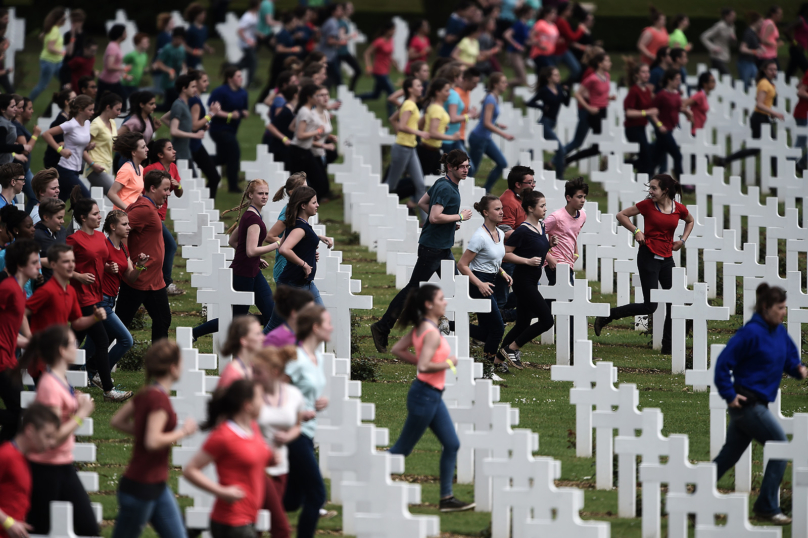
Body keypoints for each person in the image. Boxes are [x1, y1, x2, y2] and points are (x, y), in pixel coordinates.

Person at [712, 283, 808, 525]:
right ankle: (766, 506)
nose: (784, 312)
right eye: (780, 308)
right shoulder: (750, 333)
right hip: (747, 405)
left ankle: (694, 499)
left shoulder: (779, 332)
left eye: (785, 308)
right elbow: (723, 365)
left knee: (727, 457)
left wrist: (798, 369)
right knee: (780, 446)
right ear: (766, 308)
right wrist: (729, 395)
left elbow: (789, 360)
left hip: (758, 406)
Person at [370, 150, 473, 353]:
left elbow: (422, 203)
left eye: (467, 166)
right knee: (413, 290)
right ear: (450, 167)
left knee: (458, 288)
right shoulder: (446, 188)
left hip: (441, 247)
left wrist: (450, 222)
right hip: (432, 249)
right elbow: (434, 217)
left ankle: (459, 333)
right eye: (461, 166)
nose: (465, 170)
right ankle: (382, 327)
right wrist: (458, 217)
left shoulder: (443, 183)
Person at [388, 284, 475, 512]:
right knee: (402, 449)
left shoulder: (423, 327)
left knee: (452, 443)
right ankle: (365, 476)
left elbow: (397, 349)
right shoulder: (431, 333)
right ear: (429, 304)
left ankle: (446, 499)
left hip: (432, 396)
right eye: (440, 299)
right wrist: (449, 363)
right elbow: (425, 366)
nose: (444, 302)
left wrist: (422, 362)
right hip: (424, 396)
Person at [594, 174, 695, 355]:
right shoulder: (647, 205)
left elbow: (690, 221)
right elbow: (621, 215)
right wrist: (636, 231)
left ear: (665, 190)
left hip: (667, 258)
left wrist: (682, 240)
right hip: (648, 256)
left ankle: (668, 347)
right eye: (650, 187)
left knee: (676, 300)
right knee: (651, 306)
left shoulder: (678, 209)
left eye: (654, 188)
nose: (650, 191)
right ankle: (607, 316)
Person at [110, 339, 197, 538]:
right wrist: (184, 432)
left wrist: (143, 431)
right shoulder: (159, 399)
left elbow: (117, 421)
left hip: (157, 484)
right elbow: (152, 441)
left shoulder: (147, 393)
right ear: (173, 368)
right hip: (141, 487)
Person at [22, 325, 98, 536]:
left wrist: (75, 401)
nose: (77, 346)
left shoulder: (61, 381)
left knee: (88, 529)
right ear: (62, 351)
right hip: (46, 470)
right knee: (37, 530)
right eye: (73, 343)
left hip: (62, 466)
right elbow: (52, 436)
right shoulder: (50, 386)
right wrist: (80, 414)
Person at [66, 187, 133, 401]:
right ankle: (108, 390)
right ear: (84, 217)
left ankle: (55, 375)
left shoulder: (98, 237)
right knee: (103, 342)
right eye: (95, 214)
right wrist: (78, 276)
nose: (99, 217)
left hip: (98, 296)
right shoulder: (74, 240)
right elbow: (62, 266)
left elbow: (99, 260)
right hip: (83, 297)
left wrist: (108, 268)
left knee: (75, 340)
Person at [183, 379, 272, 538]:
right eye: (259, 397)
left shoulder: (254, 428)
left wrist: (272, 459)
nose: (264, 401)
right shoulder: (224, 436)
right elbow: (190, 470)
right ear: (247, 405)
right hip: (231, 522)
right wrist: (222, 492)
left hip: (250, 518)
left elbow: (252, 459)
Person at [193, 180, 279, 338]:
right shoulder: (253, 219)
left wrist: (256, 260)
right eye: (260, 193)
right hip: (243, 274)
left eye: (266, 193)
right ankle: (194, 333)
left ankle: (264, 346)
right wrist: (277, 245)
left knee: (271, 313)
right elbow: (251, 250)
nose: (264, 196)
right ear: (250, 195)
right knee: (235, 319)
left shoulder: (250, 215)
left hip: (252, 271)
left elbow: (233, 241)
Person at [283, 304, 331, 537]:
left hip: (308, 434)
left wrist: (317, 402)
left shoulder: (317, 357)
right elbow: (273, 394)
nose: (332, 328)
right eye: (327, 324)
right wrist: (297, 412)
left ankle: (237, 506)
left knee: (292, 500)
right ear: (315, 327)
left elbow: (305, 391)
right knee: (317, 495)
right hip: (293, 434)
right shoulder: (297, 359)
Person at [497, 189, 554, 372]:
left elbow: (535, 249)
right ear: (530, 208)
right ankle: (512, 349)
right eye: (542, 206)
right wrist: (526, 261)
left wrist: (549, 245)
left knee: (522, 323)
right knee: (546, 320)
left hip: (532, 279)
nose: (545, 209)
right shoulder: (522, 230)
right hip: (523, 281)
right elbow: (504, 253)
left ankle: (496, 362)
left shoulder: (542, 226)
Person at [115, 170, 173, 344]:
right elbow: (118, 229)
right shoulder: (144, 209)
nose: (168, 193)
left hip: (155, 281)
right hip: (139, 280)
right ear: (153, 188)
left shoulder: (149, 207)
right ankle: (90, 363)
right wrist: (127, 260)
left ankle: (159, 365)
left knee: (163, 319)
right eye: (166, 189)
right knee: (118, 325)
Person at [91, 210, 146, 374]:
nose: (129, 227)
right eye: (125, 224)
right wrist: (106, 267)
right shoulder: (104, 246)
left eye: (128, 223)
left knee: (92, 345)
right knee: (126, 340)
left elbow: (130, 276)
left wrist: (140, 265)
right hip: (101, 301)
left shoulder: (123, 248)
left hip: (110, 300)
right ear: (113, 226)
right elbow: (91, 270)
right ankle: (97, 371)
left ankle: (83, 372)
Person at [457, 195, 511, 364]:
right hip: (479, 283)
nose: (501, 212)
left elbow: (492, 258)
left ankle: (448, 325)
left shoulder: (500, 233)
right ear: (486, 212)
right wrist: (479, 284)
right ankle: (489, 368)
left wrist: (502, 272)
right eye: (497, 209)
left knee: (487, 331)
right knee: (498, 328)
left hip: (492, 281)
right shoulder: (479, 237)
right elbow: (462, 264)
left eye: (501, 208)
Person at [267, 187, 330, 330]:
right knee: (276, 327)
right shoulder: (300, 228)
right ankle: (253, 351)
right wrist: (304, 264)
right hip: (293, 285)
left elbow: (284, 243)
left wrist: (308, 252)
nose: (317, 205)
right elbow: (284, 249)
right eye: (314, 202)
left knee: (321, 319)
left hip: (305, 283)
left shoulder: (297, 224)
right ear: (303, 205)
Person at [254, 345, 300, 538]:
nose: (254, 375)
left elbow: (297, 425)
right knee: (281, 528)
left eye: (258, 371)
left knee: (258, 525)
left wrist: (289, 436)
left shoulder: (293, 394)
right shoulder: (252, 394)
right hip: (257, 469)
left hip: (281, 467)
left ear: (274, 371)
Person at [0, 404, 60, 536]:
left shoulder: (25, 458)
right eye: (47, 436)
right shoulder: (6, 455)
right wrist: (8, 522)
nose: (51, 443)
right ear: (30, 431)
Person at [0, 239, 39, 441]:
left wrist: (31, 343)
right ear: (21, 265)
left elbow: (9, 331)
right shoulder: (8, 288)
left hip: (9, 360)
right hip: (1, 362)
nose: (39, 266)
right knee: (18, 415)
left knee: (17, 418)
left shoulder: (21, 291)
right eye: (34, 262)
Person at [713, 61, 785, 169]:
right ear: (765, 70)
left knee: (756, 149)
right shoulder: (764, 83)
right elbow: (759, 104)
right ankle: (776, 177)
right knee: (771, 147)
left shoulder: (769, 83)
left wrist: (770, 113)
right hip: (759, 118)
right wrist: (774, 112)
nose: (774, 72)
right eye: (771, 69)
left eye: (775, 69)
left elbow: (763, 102)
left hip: (763, 117)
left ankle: (725, 160)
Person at [142, 140, 184, 297]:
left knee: (158, 248)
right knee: (170, 245)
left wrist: (177, 185)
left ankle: (154, 281)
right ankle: (166, 283)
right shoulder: (150, 170)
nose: (174, 151)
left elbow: (179, 193)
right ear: (160, 154)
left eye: (173, 148)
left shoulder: (172, 168)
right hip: (151, 214)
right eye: (169, 149)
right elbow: (140, 191)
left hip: (161, 215)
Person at [562, 53, 615, 175]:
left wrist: (609, 98)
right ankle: (615, 164)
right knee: (603, 142)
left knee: (597, 148)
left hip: (603, 112)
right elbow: (577, 94)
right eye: (607, 61)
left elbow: (599, 94)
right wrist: (589, 107)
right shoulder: (592, 78)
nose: (610, 63)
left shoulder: (607, 76)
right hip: (594, 114)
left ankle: (568, 160)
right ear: (600, 64)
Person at [385, 77, 429, 216]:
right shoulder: (409, 105)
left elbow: (395, 121)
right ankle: (377, 206)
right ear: (410, 89)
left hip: (411, 148)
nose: (421, 88)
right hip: (402, 148)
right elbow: (402, 125)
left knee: (420, 185)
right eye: (418, 85)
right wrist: (419, 132)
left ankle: (426, 221)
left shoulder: (411, 104)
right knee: (390, 185)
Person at [40, 95, 95, 201]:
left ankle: (41, 216)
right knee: (86, 198)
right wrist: (61, 150)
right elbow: (46, 134)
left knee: (58, 203)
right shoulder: (71, 124)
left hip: (76, 169)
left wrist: (88, 146)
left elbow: (78, 144)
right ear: (80, 110)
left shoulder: (87, 123)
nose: (93, 112)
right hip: (66, 169)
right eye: (90, 109)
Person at [469, 72, 514, 193]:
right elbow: (486, 123)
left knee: (502, 163)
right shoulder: (490, 99)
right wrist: (504, 135)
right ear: (495, 84)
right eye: (503, 82)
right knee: (471, 170)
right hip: (479, 138)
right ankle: (461, 193)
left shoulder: (493, 97)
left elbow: (484, 117)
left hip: (485, 138)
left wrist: (498, 124)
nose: (506, 84)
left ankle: (485, 191)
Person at [265, 173, 308, 296]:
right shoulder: (289, 212)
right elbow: (270, 236)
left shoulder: (301, 209)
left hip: (297, 263)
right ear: (291, 192)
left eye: (307, 187)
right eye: (303, 188)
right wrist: (288, 245)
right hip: (285, 266)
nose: (307, 191)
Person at [208, 67, 250, 193]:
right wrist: (230, 115)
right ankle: (233, 186)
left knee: (223, 158)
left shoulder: (243, 93)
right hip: (219, 129)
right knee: (234, 154)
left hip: (232, 130)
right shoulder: (220, 92)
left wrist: (243, 113)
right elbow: (213, 109)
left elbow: (245, 110)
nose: (241, 78)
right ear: (229, 79)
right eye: (238, 76)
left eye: (241, 76)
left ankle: (198, 160)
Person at [288, 84, 330, 201]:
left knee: (319, 179)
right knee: (298, 183)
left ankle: (311, 202)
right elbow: (300, 135)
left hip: (305, 151)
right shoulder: (304, 112)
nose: (319, 98)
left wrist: (313, 136)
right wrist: (317, 131)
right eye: (316, 96)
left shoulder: (308, 111)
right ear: (308, 97)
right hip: (298, 151)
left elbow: (300, 130)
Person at [544, 177, 587, 288]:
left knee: (555, 298)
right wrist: (548, 257)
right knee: (567, 294)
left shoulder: (582, 216)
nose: (583, 200)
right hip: (555, 262)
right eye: (579, 197)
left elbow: (572, 236)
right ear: (568, 197)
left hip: (569, 262)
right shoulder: (556, 217)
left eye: (584, 197)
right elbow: (536, 235)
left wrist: (576, 253)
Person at [526, 66, 570, 173]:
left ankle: (517, 168)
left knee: (532, 150)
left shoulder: (559, 88)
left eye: (558, 74)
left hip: (552, 123)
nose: (558, 77)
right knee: (560, 150)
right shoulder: (544, 90)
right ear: (549, 78)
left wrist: (568, 92)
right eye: (555, 75)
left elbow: (566, 103)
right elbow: (530, 102)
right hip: (544, 123)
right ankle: (560, 178)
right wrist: (541, 107)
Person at [187, 69, 223, 198]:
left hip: (195, 144)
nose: (207, 83)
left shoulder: (195, 99)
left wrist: (203, 126)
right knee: (212, 178)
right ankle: (206, 207)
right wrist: (211, 114)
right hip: (191, 145)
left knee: (214, 177)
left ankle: (206, 206)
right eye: (204, 81)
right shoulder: (194, 101)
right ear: (195, 83)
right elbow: (193, 125)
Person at [652, 69, 692, 177]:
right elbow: (653, 113)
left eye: (679, 79)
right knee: (677, 155)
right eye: (677, 79)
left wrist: (687, 112)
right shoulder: (661, 95)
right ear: (669, 80)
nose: (679, 82)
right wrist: (659, 126)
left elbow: (677, 108)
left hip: (671, 128)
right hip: (664, 131)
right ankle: (682, 182)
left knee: (656, 158)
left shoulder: (676, 94)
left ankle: (644, 175)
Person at [623, 59, 659, 175]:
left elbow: (652, 111)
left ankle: (620, 164)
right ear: (637, 75)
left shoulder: (647, 90)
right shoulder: (634, 91)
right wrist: (646, 113)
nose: (647, 75)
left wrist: (659, 125)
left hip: (641, 128)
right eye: (643, 72)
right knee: (647, 159)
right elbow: (629, 113)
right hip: (633, 129)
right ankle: (619, 165)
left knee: (647, 157)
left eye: (648, 72)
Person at [419, 78, 461, 178]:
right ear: (437, 92)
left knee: (435, 182)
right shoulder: (437, 109)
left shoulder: (433, 106)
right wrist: (452, 137)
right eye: (446, 91)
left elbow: (421, 125)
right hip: (428, 152)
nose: (449, 93)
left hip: (433, 151)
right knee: (421, 184)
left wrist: (441, 127)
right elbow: (433, 133)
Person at [359, 22, 399, 118]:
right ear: (386, 30)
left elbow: (388, 55)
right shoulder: (379, 41)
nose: (394, 31)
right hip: (379, 71)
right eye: (392, 29)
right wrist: (368, 67)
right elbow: (366, 53)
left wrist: (394, 63)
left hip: (386, 70)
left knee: (375, 95)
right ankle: (392, 116)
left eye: (394, 29)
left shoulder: (391, 40)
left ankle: (355, 98)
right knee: (392, 93)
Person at [86, 93, 122, 195]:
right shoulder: (96, 124)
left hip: (106, 166)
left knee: (92, 200)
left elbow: (112, 146)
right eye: (117, 109)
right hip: (95, 167)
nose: (119, 113)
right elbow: (83, 148)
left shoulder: (113, 123)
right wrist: (93, 165)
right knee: (116, 194)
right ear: (108, 107)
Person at [30, 8, 67, 101]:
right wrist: (62, 52)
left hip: (57, 61)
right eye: (63, 19)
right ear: (58, 20)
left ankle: (63, 103)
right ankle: (26, 105)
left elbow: (41, 36)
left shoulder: (51, 28)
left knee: (66, 82)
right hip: (49, 62)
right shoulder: (54, 30)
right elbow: (50, 47)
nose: (65, 21)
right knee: (42, 85)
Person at [168, 74, 204, 166]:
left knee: (193, 179)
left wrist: (182, 128)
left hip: (185, 154)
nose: (196, 90)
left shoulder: (184, 104)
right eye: (193, 87)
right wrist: (194, 135)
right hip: (178, 155)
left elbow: (165, 118)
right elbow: (173, 131)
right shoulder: (178, 105)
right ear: (184, 88)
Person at [107, 131, 148, 211]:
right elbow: (111, 193)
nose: (147, 149)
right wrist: (128, 209)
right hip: (122, 216)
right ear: (134, 152)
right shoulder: (126, 170)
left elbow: (136, 193)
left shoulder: (140, 168)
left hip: (133, 215)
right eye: (143, 147)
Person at [444, 67, 480, 153]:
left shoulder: (467, 92)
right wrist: (469, 115)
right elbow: (452, 117)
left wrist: (471, 115)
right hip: (451, 135)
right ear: (465, 80)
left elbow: (462, 115)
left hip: (460, 135)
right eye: (474, 83)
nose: (476, 86)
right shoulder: (455, 93)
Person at [33, 197, 67, 283]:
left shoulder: (62, 231)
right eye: (59, 218)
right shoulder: (36, 235)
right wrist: (41, 261)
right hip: (43, 288)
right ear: (46, 217)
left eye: (63, 217)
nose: (62, 221)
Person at [154, 27, 187, 112]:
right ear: (173, 37)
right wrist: (169, 70)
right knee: (173, 102)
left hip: (177, 79)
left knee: (168, 106)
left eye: (181, 39)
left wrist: (184, 70)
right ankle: (150, 107)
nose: (179, 41)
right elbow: (158, 62)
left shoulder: (182, 49)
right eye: (177, 38)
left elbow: (182, 61)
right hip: (169, 81)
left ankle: (153, 107)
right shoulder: (167, 48)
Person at [265, 84, 298, 167]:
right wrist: (284, 139)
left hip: (288, 148)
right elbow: (270, 126)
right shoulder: (286, 110)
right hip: (280, 148)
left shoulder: (295, 109)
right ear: (295, 95)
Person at [98, 24, 130, 111]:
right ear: (120, 34)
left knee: (122, 98)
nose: (126, 34)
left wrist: (125, 76)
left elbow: (116, 65)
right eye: (125, 32)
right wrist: (124, 68)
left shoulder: (116, 46)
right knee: (100, 104)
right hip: (107, 81)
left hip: (114, 81)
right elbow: (109, 66)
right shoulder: (112, 46)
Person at [503, 5, 533, 98]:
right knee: (522, 78)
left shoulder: (525, 25)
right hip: (513, 53)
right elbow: (507, 35)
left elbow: (525, 40)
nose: (532, 15)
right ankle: (497, 85)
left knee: (517, 77)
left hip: (519, 54)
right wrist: (517, 45)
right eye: (531, 13)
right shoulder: (519, 23)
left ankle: (509, 100)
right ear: (526, 13)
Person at [43, 89, 75, 170]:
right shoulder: (61, 121)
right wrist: (62, 148)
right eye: (74, 98)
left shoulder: (69, 119)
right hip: (55, 162)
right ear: (67, 102)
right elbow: (59, 144)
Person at [554, 2, 586, 83]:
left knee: (576, 69)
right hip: (558, 51)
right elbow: (573, 37)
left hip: (563, 50)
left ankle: (564, 85)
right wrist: (581, 29)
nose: (571, 12)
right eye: (569, 10)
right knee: (553, 72)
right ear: (564, 11)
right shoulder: (562, 22)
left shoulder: (562, 21)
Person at [700, 8, 736, 76]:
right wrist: (713, 47)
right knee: (728, 77)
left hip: (725, 56)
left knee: (712, 76)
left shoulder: (731, 27)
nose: (734, 18)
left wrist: (733, 40)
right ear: (726, 16)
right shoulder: (719, 26)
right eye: (732, 16)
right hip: (717, 57)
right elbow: (704, 37)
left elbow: (731, 43)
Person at [318, 3, 346, 87]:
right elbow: (329, 41)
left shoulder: (330, 21)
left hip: (329, 55)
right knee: (335, 77)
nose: (341, 11)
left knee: (333, 77)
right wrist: (340, 42)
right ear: (333, 12)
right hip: (328, 55)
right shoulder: (332, 23)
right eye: (339, 10)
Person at [337, 2, 362, 92]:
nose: (351, 10)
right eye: (349, 8)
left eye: (351, 8)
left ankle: (349, 92)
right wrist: (353, 35)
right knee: (336, 76)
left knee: (357, 71)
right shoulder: (342, 22)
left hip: (344, 51)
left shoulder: (346, 21)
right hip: (340, 52)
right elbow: (341, 37)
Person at [0, 95, 29, 167]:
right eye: (12, 107)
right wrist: (22, 147)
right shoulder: (2, 124)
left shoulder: (7, 122)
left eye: (15, 106)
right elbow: (1, 147)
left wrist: (12, 144)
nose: (15, 109)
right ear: (3, 109)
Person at [184, 3, 215, 70]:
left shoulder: (204, 29)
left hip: (198, 61)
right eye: (202, 14)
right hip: (189, 62)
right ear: (196, 15)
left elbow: (201, 42)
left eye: (204, 14)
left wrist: (208, 48)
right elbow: (183, 45)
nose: (204, 16)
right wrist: (194, 52)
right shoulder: (190, 29)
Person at [684, 72, 715, 136]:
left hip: (699, 130)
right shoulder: (700, 95)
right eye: (712, 81)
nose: (714, 83)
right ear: (704, 84)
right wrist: (690, 117)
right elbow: (684, 104)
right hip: (693, 131)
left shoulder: (703, 95)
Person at [529, 7, 559, 73]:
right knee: (550, 71)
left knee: (542, 73)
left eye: (555, 13)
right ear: (546, 14)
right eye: (552, 13)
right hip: (540, 53)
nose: (555, 15)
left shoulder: (553, 25)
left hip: (550, 54)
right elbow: (531, 35)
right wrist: (539, 44)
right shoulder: (541, 23)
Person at [738, 13, 764, 90]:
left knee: (755, 83)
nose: (762, 25)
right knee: (744, 85)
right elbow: (742, 48)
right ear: (755, 22)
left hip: (751, 62)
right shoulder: (748, 33)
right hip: (745, 62)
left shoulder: (753, 34)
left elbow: (753, 45)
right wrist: (755, 51)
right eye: (761, 22)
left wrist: (760, 47)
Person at [122, 33, 150, 98]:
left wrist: (150, 69)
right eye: (145, 42)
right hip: (127, 84)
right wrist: (126, 76)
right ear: (138, 43)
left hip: (136, 84)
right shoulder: (131, 55)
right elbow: (119, 66)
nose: (148, 44)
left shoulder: (145, 56)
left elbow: (143, 69)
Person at [786, 4, 808, 80]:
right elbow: (786, 30)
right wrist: (795, 43)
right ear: (806, 10)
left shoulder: (806, 21)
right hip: (796, 49)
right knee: (806, 70)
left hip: (800, 50)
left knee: (790, 72)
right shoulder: (800, 20)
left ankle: (782, 84)